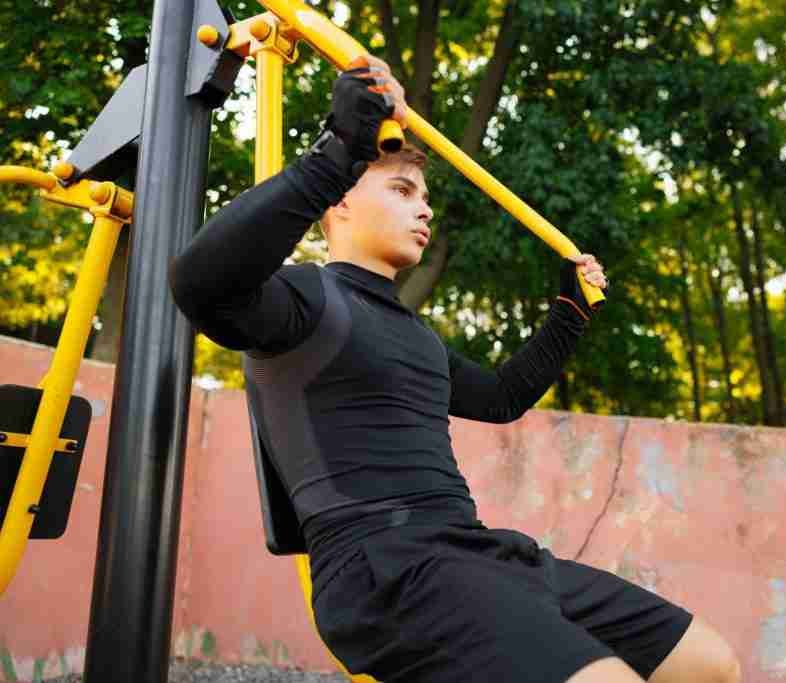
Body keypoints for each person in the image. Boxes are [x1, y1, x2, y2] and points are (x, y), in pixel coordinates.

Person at [170, 54, 740, 683]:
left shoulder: (413, 333)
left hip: (473, 553)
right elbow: (201, 283)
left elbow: (502, 397)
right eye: (401, 189)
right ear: (339, 206)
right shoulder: (303, 300)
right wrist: (336, 153)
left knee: (708, 665)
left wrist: (569, 313)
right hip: (383, 571)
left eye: (425, 197)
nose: (424, 209)